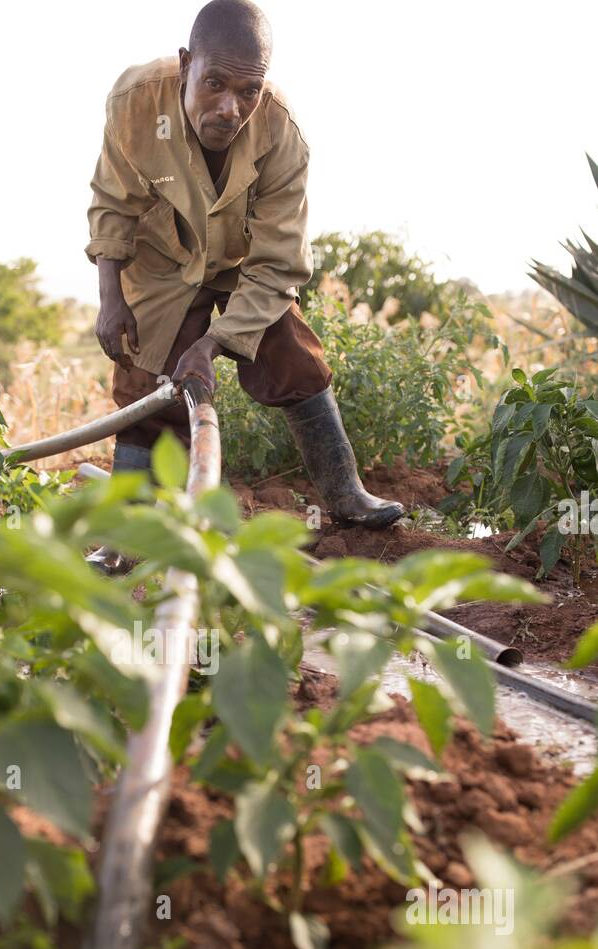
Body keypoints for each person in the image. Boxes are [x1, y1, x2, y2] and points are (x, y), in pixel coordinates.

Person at [84, 0, 404, 573]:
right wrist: (111, 298)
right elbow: (112, 203)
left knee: (291, 352)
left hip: (242, 262)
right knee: (143, 379)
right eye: (214, 84)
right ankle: (121, 539)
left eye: (248, 91)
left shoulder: (283, 131)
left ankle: (345, 495)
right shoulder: (135, 101)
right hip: (163, 260)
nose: (230, 107)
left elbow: (279, 262)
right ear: (186, 65)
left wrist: (212, 344)